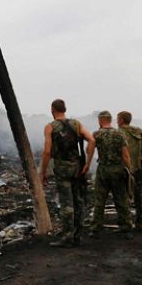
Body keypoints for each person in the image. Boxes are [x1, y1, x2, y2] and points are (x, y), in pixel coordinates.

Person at [40, 99, 95, 247]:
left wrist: (43, 173)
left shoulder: (50, 127)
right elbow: (91, 140)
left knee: (66, 203)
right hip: (78, 167)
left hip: (62, 168)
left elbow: (46, 152)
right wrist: (88, 163)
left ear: (52, 110)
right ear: (64, 109)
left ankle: (67, 237)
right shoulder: (76, 124)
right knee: (78, 202)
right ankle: (77, 235)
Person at [84, 110, 133, 238]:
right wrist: (129, 171)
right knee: (121, 199)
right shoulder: (119, 134)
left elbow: (89, 150)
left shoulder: (97, 134)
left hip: (103, 170)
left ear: (100, 120)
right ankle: (125, 228)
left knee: (100, 200)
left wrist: (87, 164)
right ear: (110, 120)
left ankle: (95, 229)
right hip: (118, 169)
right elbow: (126, 155)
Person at [117, 111, 142, 228]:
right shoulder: (139, 131)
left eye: (118, 119)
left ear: (121, 120)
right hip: (138, 169)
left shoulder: (118, 133)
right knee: (138, 197)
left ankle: (126, 223)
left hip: (124, 169)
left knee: (123, 197)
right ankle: (141, 221)